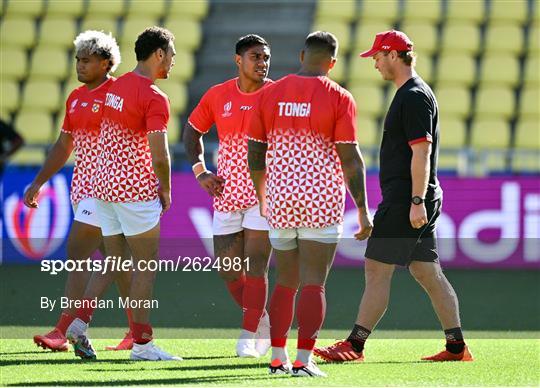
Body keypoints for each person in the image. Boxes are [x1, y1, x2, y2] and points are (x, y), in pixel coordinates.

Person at [314, 30, 473, 363]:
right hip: (415, 196)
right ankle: (457, 347)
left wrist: (416, 201)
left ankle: (354, 345)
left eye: (377, 56)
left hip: (407, 198)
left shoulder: (413, 95)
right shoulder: (413, 93)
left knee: (376, 269)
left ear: (393, 55)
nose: (374, 63)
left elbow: (422, 151)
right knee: (428, 273)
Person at [247, 31, 373, 377]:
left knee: (285, 280)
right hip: (320, 198)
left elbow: (255, 153)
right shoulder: (339, 97)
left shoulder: (269, 93)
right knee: (314, 282)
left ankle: (276, 358)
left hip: (280, 197)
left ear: (302, 55)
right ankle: (303, 361)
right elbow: (350, 158)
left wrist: (263, 196)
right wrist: (362, 209)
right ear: (332, 63)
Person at [65, 26, 179, 361]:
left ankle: (80, 321)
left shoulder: (119, 86)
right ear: (158, 54)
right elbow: (160, 155)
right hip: (134, 189)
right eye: (171, 55)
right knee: (144, 266)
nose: (172, 62)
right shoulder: (154, 97)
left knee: (116, 261)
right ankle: (143, 345)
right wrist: (167, 187)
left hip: (102, 186)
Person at [24, 30, 133, 352]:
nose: (80, 66)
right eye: (77, 60)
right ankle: (137, 330)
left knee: (79, 255)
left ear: (106, 63)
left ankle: (65, 327)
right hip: (82, 188)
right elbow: (63, 144)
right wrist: (39, 181)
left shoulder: (119, 94)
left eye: (87, 60)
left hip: (109, 187)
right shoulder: (75, 97)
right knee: (120, 261)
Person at [183, 34, 273, 358]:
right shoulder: (218, 94)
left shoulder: (275, 95)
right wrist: (200, 170)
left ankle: (248, 334)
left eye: (266, 57)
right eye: (255, 57)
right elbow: (192, 131)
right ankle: (262, 318)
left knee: (257, 266)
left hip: (263, 194)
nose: (262, 63)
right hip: (226, 192)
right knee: (229, 270)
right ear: (238, 60)